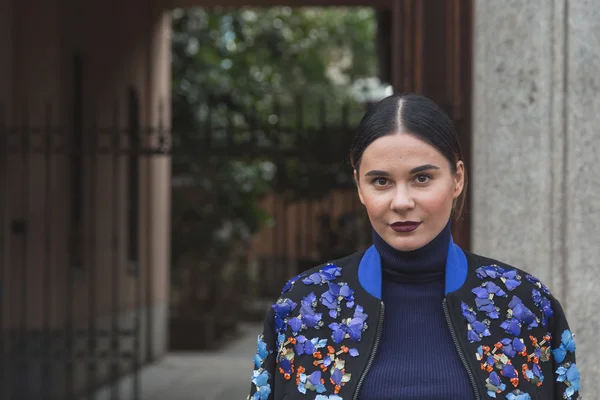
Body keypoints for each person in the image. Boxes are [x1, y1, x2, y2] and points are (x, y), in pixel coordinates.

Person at [247, 94, 580, 400]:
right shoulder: (303, 307)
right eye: (381, 181)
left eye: (422, 178)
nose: (402, 201)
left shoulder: (525, 306)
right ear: (359, 187)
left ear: (457, 179)